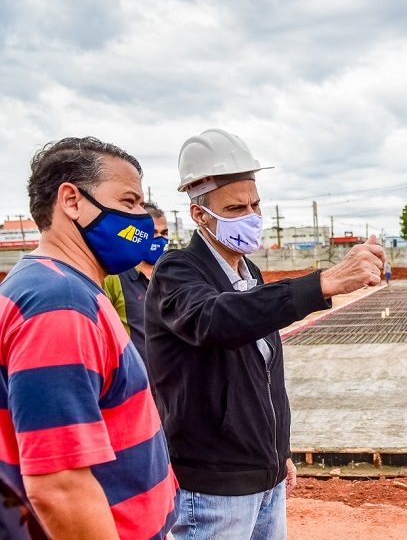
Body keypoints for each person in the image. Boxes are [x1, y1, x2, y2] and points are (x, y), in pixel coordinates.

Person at [145, 128, 386, 540]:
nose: (252, 215)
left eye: (255, 204)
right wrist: (323, 283)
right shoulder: (176, 273)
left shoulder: (249, 273)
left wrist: (277, 453)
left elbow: (263, 371)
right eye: (236, 208)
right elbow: (217, 320)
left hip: (265, 480)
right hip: (214, 490)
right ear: (200, 214)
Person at [0, 137, 177, 539]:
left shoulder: (61, 287)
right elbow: (59, 486)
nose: (141, 221)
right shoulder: (58, 302)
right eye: (129, 202)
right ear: (72, 200)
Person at [103, 201, 169, 370]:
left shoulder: (171, 275)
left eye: (164, 233)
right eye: (153, 232)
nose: (159, 238)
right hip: (135, 381)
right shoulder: (114, 276)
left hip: (172, 382)